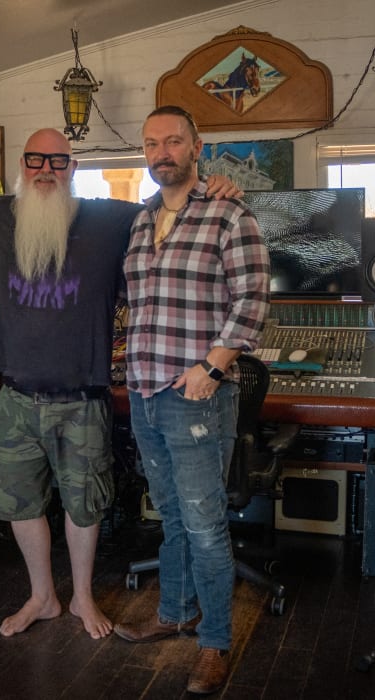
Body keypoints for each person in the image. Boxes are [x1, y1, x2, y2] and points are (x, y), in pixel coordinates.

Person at [0, 128, 242, 641]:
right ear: (21, 166)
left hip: (84, 396)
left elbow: (173, 195)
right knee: (20, 504)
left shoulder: (113, 218)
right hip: (16, 396)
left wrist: (217, 185)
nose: (46, 170)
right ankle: (43, 597)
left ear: (74, 167)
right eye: (35, 160)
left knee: (85, 504)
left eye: (59, 161)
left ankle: (83, 598)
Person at [113, 105, 270, 696]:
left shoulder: (230, 211)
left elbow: (253, 301)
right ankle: (175, 612)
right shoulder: (139, 219)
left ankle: (215, 644)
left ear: (197, 147)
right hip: (145, 390)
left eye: (173, 141)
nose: (162, 152)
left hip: (197, 394)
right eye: (152, 143)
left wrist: (212, 367)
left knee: (205, 526)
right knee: (172, 514)